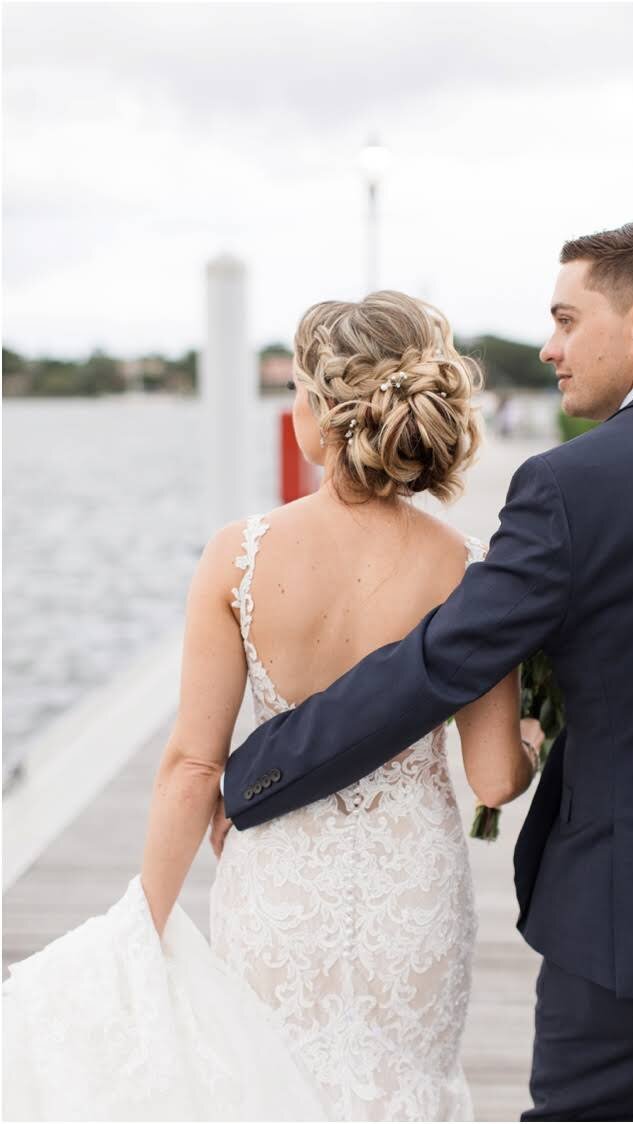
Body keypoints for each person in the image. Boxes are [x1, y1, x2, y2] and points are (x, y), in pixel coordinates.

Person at [218, 220, 633, 1120]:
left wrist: (255, 776)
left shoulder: (575, 484)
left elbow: (438, 664)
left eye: (566, 319)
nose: (548, 347)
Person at [3, 291, 540, 1119]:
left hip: (279, 885)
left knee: (269, 1089)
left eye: (296, 388)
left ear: (325, 413)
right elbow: (496, 778)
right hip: (414, 892)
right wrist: (535, 731)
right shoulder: (470, 569)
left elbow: (191, 766)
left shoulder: (240, 556)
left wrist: (143, 923)